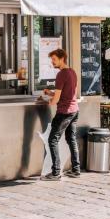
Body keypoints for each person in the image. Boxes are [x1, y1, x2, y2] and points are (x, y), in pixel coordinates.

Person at [40, 48, 80, 180]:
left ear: (62, 58)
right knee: (71, 139)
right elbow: (69, 92)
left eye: (54, 60)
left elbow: (56, 101)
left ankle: (56, 172)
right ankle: (76, 169)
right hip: (74, 110)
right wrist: (50, 93)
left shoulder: (61, 74)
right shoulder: (72, 72)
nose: (52, 62)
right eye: (52, 60)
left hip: (64, 112)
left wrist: (48, 100)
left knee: (52, 140)